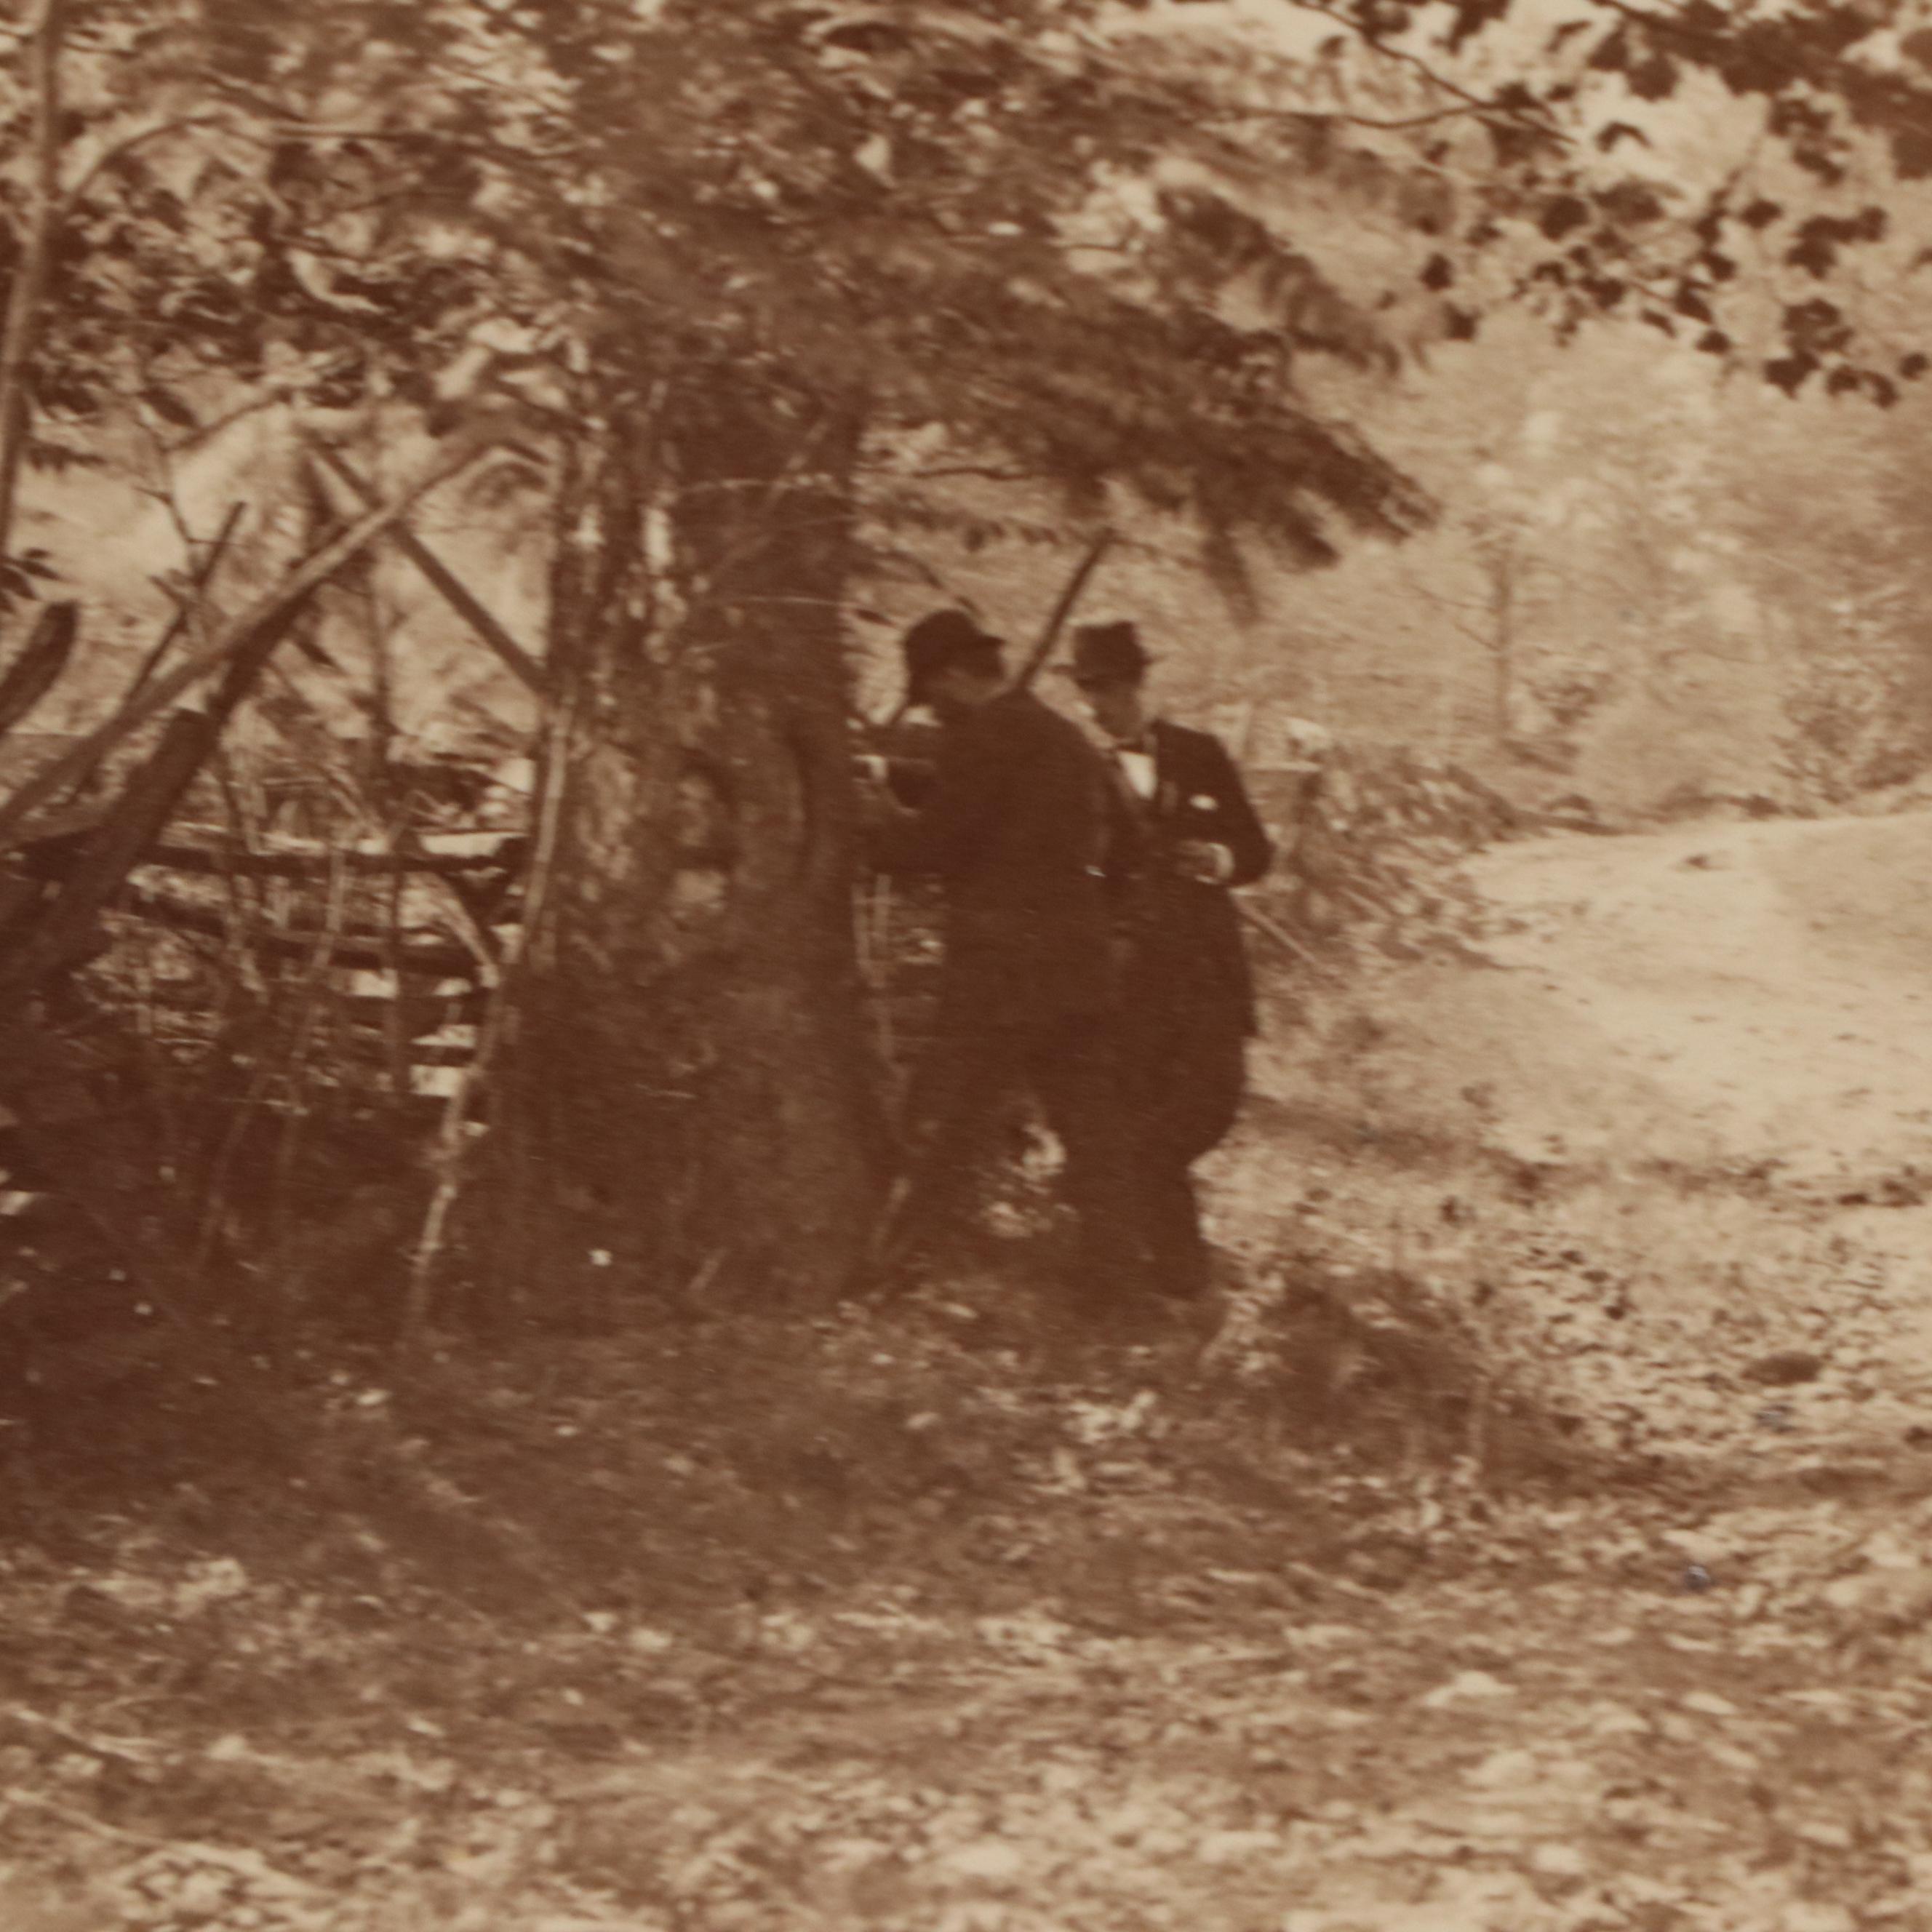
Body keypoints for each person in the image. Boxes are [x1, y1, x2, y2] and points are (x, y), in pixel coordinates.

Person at [863, 607, 1151, 1306]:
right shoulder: (1066, 739)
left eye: (931, 691)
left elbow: (933, 847)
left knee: (942, 1124)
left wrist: (868, 812)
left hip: (998, 977)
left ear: (957, 675)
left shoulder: (980, 740)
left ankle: (886, 1277)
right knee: (1094, 1135)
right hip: (1074, 971)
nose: (930, 709)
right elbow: (1130, 849)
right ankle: (1117, 1288)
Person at [1061, 620, 1274, 1301]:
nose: (1103, 704)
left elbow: (1257, 849)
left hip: (1206, 972)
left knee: (1209, 1104)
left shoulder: (1200, 754)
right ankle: (1172, 1277)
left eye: (1113, 687)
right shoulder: (1079, 768)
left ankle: (1152, 1262)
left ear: (1139, 683)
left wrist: (1219, 859)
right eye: (1090, 691)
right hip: (1129, 981)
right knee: (1137, 1120)